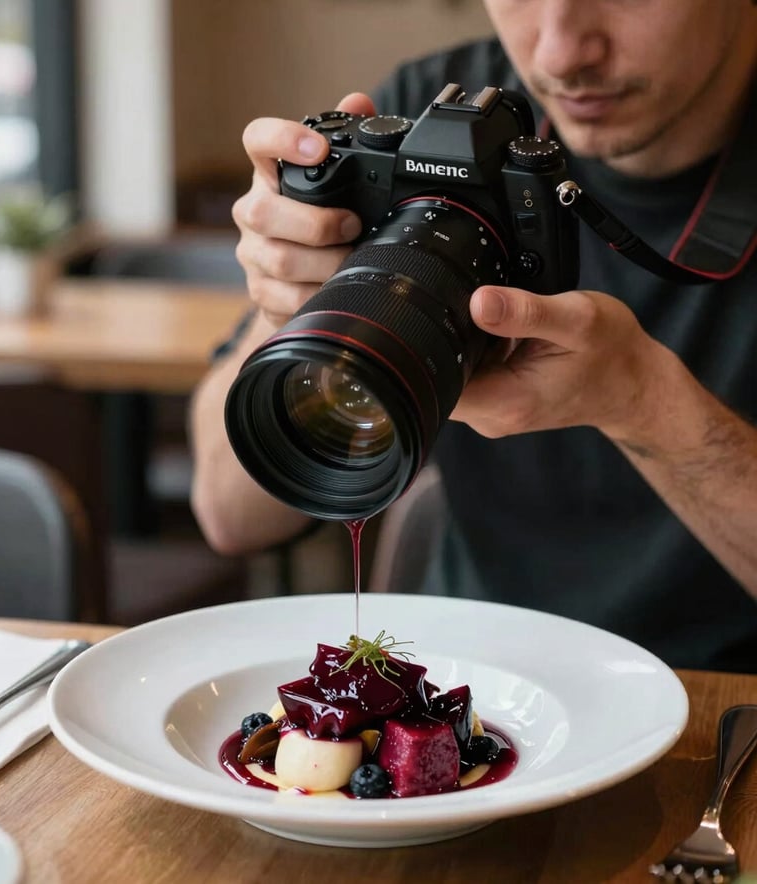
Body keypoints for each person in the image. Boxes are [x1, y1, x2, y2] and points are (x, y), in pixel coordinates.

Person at [190, 0, 757, 672]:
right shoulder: (426, 109)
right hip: (470, 688)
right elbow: (230, 515)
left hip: (726, 713)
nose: (557, 55)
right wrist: (289, 312)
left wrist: (644, 403)